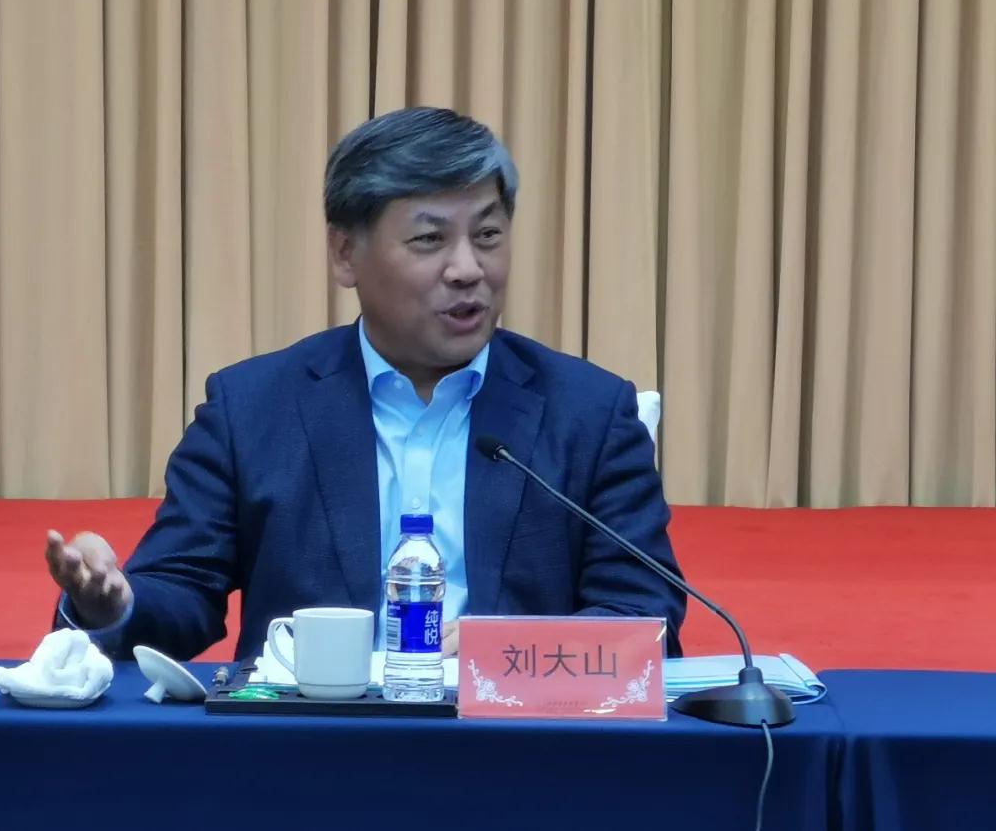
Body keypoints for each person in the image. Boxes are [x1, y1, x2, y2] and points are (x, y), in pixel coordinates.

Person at [45, 106, 687, 661]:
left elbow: (643, 612)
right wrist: (112, 606)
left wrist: (503, 651)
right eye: (430, 239)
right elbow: (182, 590)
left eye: (488, 235)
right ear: (345, 254)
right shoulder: (253, 408)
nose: (468, 269)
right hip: (312, 745)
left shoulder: (589, 412)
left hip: (514, 742)